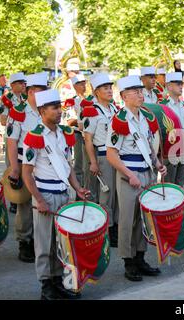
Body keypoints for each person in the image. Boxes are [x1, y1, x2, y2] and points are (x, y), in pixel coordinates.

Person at [22, 88, 88, 300]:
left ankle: (59, 281)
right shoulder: (34, 137)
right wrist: (39, 199)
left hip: (63, 193)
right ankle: (46, 286)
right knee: (44, 243)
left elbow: (66, 167)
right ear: (42, 111)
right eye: (54, 108)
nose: (59, 111)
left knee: (62, 242)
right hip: (45, 194)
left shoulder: (64, 134)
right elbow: (27, 173)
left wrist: (78, 188)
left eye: (60, 107)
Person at [106, 75, 165, 281]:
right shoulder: (119, 120)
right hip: (129, 175)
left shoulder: (144, 117)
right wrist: (130, 175)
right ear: (123, 96)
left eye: (141, 91)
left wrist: (157, 163)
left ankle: (140, 257)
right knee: (127, 220)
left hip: (146, 172)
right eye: (135, 92)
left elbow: (148, 145)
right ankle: (128, 261)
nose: (141, 94)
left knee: (143, 218)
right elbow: (111, 154)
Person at [7, 72, 48, 262]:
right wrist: (14, 168)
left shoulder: (46, 109)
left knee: (43, 201)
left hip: (45, 164)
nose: (44, 93)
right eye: (41, 90)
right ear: (31, 91)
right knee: (24, 204)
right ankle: (24, 241)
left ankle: (40, 241)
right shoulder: (18, 111)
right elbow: (12, 142)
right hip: (25, 163)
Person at [82, 73, 119, 247]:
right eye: (105, 88)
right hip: (103, 156)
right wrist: (93, 162)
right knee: (107, 194)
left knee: (118, 194)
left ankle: (116, 226)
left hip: (118, 155)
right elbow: (88, 139)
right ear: (96, 92)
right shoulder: (92, 111)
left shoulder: (114, 109)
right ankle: (108, 229)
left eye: (110, 87)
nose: (110, 91)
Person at [161, 72, 184, 186]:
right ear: (168, 86)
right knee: (169, 184)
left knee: (180, 182)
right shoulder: (163, 106)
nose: (181, 86)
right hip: (170, 149)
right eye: (177, 84)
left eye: (181, 84)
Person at [61, 74, 87, 188]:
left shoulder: (88, 99)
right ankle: (79, 190)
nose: (84, 86)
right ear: (75, 86)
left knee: (88, 165)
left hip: (88, 135)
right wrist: (86, 123)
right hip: (78, 135)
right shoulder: (71, 101)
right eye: (81, 84)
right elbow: (70, 121)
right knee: (79, 165)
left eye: (84, 83)